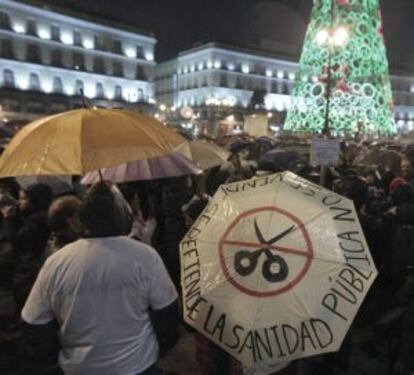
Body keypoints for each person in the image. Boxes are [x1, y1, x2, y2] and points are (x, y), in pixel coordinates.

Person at [21, 181, 179, 374]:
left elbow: (35, 323)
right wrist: (153, 351)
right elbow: (168, 316)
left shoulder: (56, 262)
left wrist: (61, 357)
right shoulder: (145, 256)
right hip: (138, 365)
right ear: (123, 214)